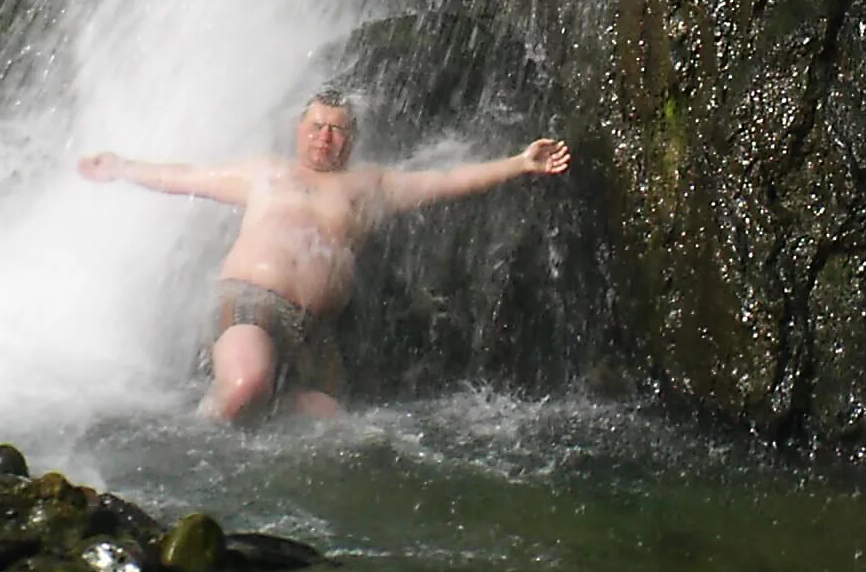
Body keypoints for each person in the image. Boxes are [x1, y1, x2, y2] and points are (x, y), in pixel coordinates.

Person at [76, 91, 572, 422]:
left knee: (329, 429)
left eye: (336, 129)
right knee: (247, 384)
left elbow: (445, 181)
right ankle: (186, 458)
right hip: (249, 302)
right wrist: (121, 166)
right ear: (298, 130)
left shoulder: (370, 187)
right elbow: (187, 176)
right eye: (316, 126)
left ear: (351, 139)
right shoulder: (265, 173)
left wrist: (518, 164)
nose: (324, 137)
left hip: (312, 328)